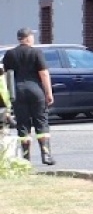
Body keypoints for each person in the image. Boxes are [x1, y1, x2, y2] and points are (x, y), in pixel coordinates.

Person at [2, 27, 54, 165]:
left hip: (17, 92)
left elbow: (5, 75)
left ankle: (26, 158)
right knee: (41, 121)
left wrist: (6, 96)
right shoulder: (36, 52)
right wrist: (49, 93)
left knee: (23, 124)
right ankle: (46, 155)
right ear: (28, 38)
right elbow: (43, 73)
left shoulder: (10, 54)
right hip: (35, 90)